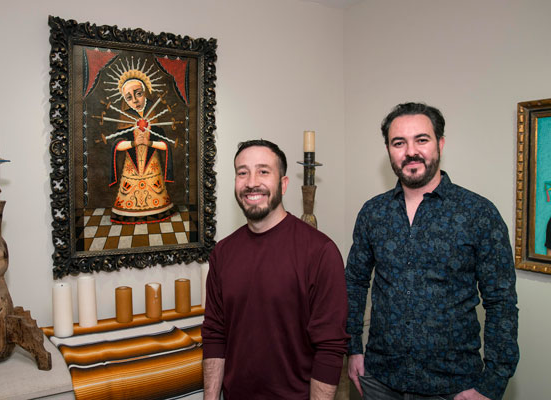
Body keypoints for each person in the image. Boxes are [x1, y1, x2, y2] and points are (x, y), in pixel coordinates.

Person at [345, 102, 519, 400]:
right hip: (380, 378)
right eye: (399, 142)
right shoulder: (373, 213)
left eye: (421, 140)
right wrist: (353, 349)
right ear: (388, 149)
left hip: (453, 386)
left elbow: (501, 301)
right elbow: (355, 283)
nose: (410, 151)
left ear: (440, 143)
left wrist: (492, 384)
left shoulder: (478, 213)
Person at [202, 139, 349, 399]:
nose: (251, 182)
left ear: (283, 184)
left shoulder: (320, 252)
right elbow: (215, 334)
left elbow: (329, 348)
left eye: (263, 171)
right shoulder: (222, 253)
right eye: (242, 172)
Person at [109, 71, 175, 224]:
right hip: (131, 167)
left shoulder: (154, 114)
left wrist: (149, 143)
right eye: (129, 97)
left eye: (138, 94)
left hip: (152, 166)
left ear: (145, 93)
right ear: (125, 100)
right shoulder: (125, 116)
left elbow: (165, 145)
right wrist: (133, 143)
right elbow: (116, 145)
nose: (135, 100)